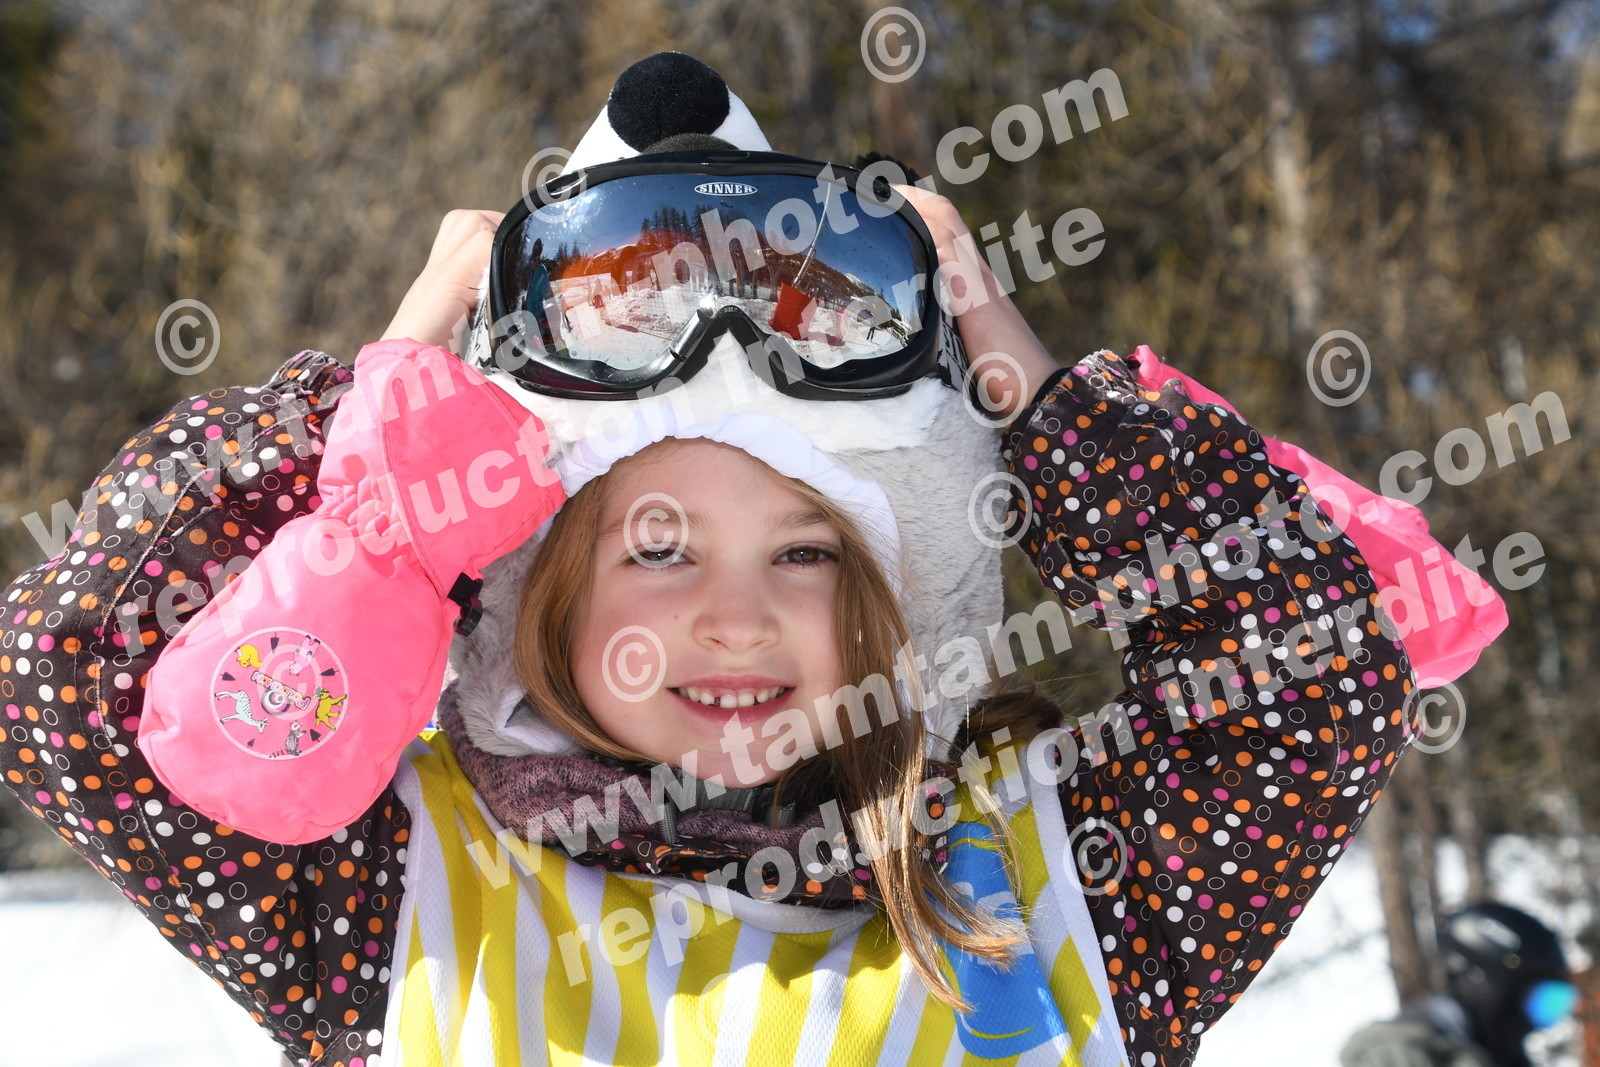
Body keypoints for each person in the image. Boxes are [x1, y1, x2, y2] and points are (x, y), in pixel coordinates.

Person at [0, 52, 1497, 1067]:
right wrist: (358, 433)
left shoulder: (1060, 887)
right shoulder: (386, 897)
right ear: (534, 591)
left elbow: (1303, 678)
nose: (736, 615)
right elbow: (69, 674)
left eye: (806, 551)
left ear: (896, 600)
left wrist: (1047, 415)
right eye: (657, 547)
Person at [1341, 903, 1580, 1067]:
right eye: (1546, 1002)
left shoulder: (1496, 1058)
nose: (1549, 1024)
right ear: (1482, 980)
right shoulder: (1398, 1053)